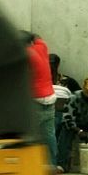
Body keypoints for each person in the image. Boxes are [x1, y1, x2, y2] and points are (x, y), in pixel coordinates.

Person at [24, 33, 57, 168]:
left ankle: (31, 167)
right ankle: (52, 166)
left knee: (30, 135)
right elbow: (37, 36)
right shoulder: (41, 47)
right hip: (50, 98)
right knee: (49, 136)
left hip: (35, 99)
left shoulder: (25, 54)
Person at [49, 53, 80, 173]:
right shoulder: (41, 80)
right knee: (56, 121)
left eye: (53, 63)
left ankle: (61, 164)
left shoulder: (68, 81)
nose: (50, 65)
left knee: (66, 125)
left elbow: (79, 97)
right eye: (48, 63)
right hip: (47, 113)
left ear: (58, 65)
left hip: (65, 114)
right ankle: (53, 163)